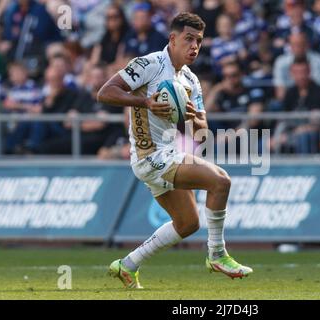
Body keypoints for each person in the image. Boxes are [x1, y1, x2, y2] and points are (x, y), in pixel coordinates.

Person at [97, 12, 252, 289]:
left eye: (199, 41)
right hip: (151, 156)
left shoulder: (191, 81)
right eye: (188, 39)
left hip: (165, 154)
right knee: (221, 181)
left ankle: (127, 265)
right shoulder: (149, 64)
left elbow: (202, 133)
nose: (194, 46)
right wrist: (145, 102)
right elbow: (105, 92)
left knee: (188, 223)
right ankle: (217, 255)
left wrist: (192, 116)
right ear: (173, 39)